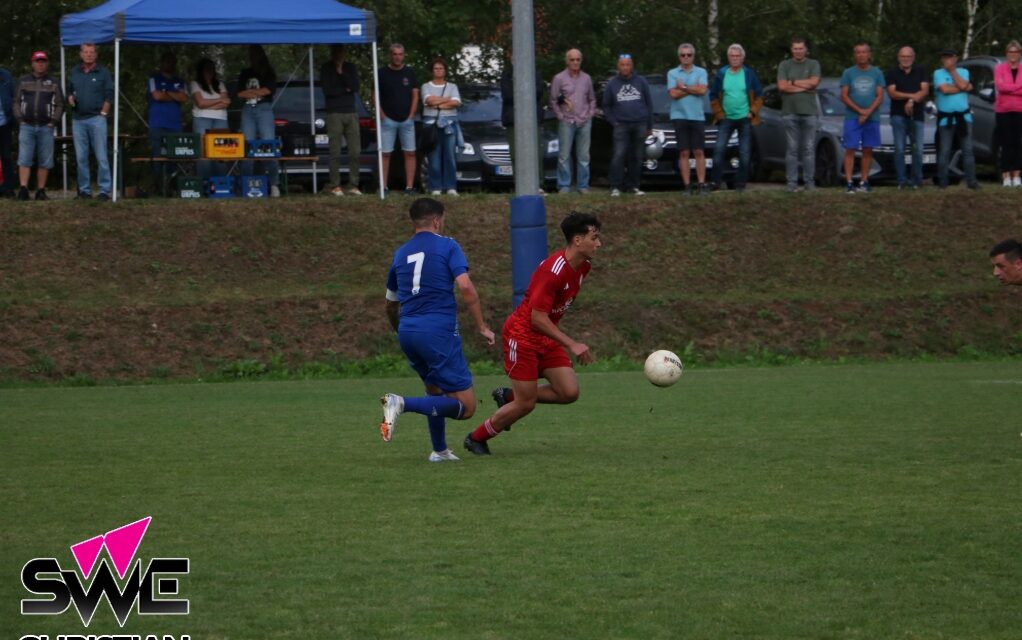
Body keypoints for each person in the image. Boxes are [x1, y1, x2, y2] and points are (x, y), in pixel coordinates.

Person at [464, 212, 601, 456]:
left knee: (569, 392)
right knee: (525, 404)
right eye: (594, 237)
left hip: (546, 337)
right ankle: (476, 438)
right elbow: (537, 319)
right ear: (577, 240)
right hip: (523, 337)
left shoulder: (584, 266)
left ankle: (508, 396)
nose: (599, 244)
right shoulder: (553, 271)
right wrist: (573, 344)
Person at [379, 197, 495, 462]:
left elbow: (389, 304)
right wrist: (482, 326)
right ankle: (400, 403)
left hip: (408, 330)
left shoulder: (401, 253)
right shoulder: (448, 246)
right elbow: (465, 287)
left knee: (434, 391)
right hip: (438, 331)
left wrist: (401, 331)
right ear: (436, 220)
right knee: (466, 407)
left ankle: (439, 450)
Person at [709, 44, 763, 193]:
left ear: (742, 58)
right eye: (732, 56)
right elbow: (713, 95)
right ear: (728, 58)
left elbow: (759, 95)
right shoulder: (721, 74)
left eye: (737, 56)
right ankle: (715, 182)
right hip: (726, 118)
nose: (735, 58)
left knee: (745, 152)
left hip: (745, 118)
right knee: (719, 150)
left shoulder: (749, 74)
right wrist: (719, 114)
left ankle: (740, 184)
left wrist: (752, 112)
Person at [13, 51, 63, 201]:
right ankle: (23, 189)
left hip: (45, 127)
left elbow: (60, 104)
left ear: (46, 63)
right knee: (24, 158)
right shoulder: (23, 80)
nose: (40, 64)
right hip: (26, 126)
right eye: (37, 61)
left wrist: (53, 122)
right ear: (32, 63)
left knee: (45, 160)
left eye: (43, 61)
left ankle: (41, 190)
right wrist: (20, 119)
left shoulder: (54, 82)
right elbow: (15, 101)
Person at [68, 43, 114, 200]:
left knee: (101, 156)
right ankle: (85, 191)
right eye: (85, 52)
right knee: (81, 157)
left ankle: (104, 190)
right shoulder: (74, 71)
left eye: (91, 52)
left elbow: (109, 94)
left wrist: (103, 113)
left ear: (96, 55)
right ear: (81, 54)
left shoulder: (103, 72)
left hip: (96, 119)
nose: (88, 55)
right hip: (78, 120)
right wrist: (70, 98)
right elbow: (69, 91)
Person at [603, 54, 653, 196]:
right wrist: (614, 121)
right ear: (618, 66)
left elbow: (649, 104)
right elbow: (606, 106)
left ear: (632, 66)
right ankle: (615, 186)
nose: (625, 67)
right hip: (621, 125)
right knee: (619, 155)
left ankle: (633, 186)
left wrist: (649, 125)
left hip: (640, 123)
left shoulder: (641, 82)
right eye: (622, 64)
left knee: (637, 156)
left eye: (628, 64)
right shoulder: (612, 84)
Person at [839, 42, 884, 193]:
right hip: (852, 117)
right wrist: (860, 111)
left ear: (869, 54)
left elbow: (879, 96)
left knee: (867, 149)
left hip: (872, 117)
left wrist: (868, 112)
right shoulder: (848, 73)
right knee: (850, 149)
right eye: (858, 52)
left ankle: (864, 181)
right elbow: (844, 96)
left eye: (864, 52)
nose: (861, 55)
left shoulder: (877, 72)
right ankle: (850, 182)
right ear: (854, 55)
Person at [777, 37, 821, 192]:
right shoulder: (785, 65)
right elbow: (782, 86)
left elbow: (814, 83)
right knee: (792, 149)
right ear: (791, 50)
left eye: (800, 48)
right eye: (795, 48)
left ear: (805, 49)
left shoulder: (813, 64)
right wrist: (805, 86)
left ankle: (809, 182)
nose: (798, 51)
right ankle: (792, 184)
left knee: (809, 148)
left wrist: (793, 82)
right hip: (790, 112)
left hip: (809, 112)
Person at [550, 48, 595, 194]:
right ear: (567, 61)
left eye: (578, 59)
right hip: (567, 121)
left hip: (584, 120)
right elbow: (553, 100)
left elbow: (592, 99)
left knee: (584, 156)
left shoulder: (587, 78)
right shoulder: (559, 78)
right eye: (572, 59)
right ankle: (564, 185)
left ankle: (583, 186)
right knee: (564, 155)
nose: (575, 62)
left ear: (581, 61)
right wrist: (560, 116)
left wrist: (590, 114)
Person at [237, 45, 280, 197]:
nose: (252, 57)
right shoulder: (245, 72)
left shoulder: (268, 72)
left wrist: (252, 92)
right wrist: (257, 92)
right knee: (247, 145)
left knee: (268, 145)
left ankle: (274, 184)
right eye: (250, 54)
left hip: (264, 109)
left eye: (254, 54)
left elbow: (268, 90)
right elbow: (240, 93)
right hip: (248, 109)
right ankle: (247, 183)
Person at [667, 43, 709, 195]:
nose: (686, 57)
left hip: (697, 116)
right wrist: (692, 89)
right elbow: (673, 94)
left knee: (699, 151)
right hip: (679, 116)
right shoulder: (672, 73)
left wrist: (683, 88)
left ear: (693, 56)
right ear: (679, 57)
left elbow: (703, 90)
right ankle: (687, 186)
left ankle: (702, 184)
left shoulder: (701, 71)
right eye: (683, 55)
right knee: (684, 152)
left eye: (689, 55)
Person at [377, 44, 419, 195]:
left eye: (400, 54)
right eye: (395, 54)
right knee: (386, 153)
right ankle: (384, 187)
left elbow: (415, 94)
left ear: (404, 55)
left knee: (410, 153)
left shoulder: (409, 72)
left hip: (407, 120)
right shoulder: (381, 73)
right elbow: (375, 95)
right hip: (388, 120)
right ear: (390, 55)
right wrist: (382, 115)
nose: (397, 57)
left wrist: (412, 114)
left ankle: (409, 187)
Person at [934, 48, 978, 190]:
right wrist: (962, 87)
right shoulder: (938, 73)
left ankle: (972, 181)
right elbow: (945, 89)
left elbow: (965, 85)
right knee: (945, 150)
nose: (948, 60)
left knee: (968, 150)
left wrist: (953, 73)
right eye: (945, 58)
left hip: (963, 117)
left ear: (955, 58)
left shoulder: (964, 72)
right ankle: (943, 181)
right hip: (946, 118)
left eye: (950, 57)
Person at [885, 46, 929, 189]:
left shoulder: (920, 71)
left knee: (918, 149)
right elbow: (892, 93)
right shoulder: (892, 72)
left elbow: (924, 91)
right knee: (899, 149)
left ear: (913, 57)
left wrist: (911, 101)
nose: (906, 59)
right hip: (898, 116)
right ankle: (901, 181)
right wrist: (912, 96)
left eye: (908, 56)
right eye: (903, 56)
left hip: (917, 116)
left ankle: (917, 180)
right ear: (899, 57)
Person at [321, 45, 362, 196]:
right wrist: (345, 88)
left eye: (342, 52)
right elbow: (328, 91)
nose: (339, 55)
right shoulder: (326, 68)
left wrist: (342, 74)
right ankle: (335, 184)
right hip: (334, 113)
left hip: (350, 112)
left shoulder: (350, 68)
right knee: (335, 151)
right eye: (336, 52)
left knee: (355, 151)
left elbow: (355, 87)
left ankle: (353, 184)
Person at [500, 54, 545, 190]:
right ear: (512, 59)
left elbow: (539, 91)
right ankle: (519, 185)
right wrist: (526, 92)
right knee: (515, 154)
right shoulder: (507, 75)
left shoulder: (534, 73)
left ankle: (538, 185)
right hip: (513, 120)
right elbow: (507, 95)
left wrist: (520, 93)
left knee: (536, 153)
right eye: (515, 57)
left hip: (532, 119)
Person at [146, 52, 188, 194]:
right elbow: (157, 96)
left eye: (173, 62)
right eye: (167, 61)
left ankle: (172, 188)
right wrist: (173, 94)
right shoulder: (154, 78)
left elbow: (183, 98)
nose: (170, 64)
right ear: (162, 63)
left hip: (175, 125)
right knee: (158, 156)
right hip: (157, 124)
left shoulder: (180, 81)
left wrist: (167, 93)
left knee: (175, 157)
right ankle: (159, 188)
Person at [421, 58, 462, 196]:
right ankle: (435, 187)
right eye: (436, 68)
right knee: (434, 156)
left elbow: (456, 102)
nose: (438, 71)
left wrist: (437, 104)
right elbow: (428, 100)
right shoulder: (425, 86)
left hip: (449, 124)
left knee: (450, 155)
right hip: (431, 124)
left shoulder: (452, 86)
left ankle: (451, 186)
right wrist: (447, 99)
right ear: (432, 71)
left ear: (445, 71)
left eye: (441, 68)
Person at [189, 58, 229, 179]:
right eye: (207, 69)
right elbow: (200, 103)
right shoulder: (195, 84)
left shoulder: (220, 84)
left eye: (212, 69)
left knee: (221, 151)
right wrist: (218, 100)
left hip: (220, 120)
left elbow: (226, 102)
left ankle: (220, 182)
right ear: (201, 70)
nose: (210, 71)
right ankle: (204, 181)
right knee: (203, 151)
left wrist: (209, 104)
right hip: (201, 119)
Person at [994, 41, 1022, 188]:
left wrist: (1010, 88)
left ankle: (1016, 175)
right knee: (1005, 143)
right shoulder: (999, 69)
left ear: (1020, 54)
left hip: (1019, 110)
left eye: (1016, 52)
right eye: (1010, 52)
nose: (1013, 55)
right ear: (1007, 54)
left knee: (1017, 143)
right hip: (1003, 111)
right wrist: (1018, 87)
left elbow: (1007, 88)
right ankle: (1006, 175)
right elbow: (1001, 87)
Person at [0, 64, 14, 198]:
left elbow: (14, 97)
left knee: (6, 156)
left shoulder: (6, 75)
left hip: (5, 122)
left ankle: (8, 188)